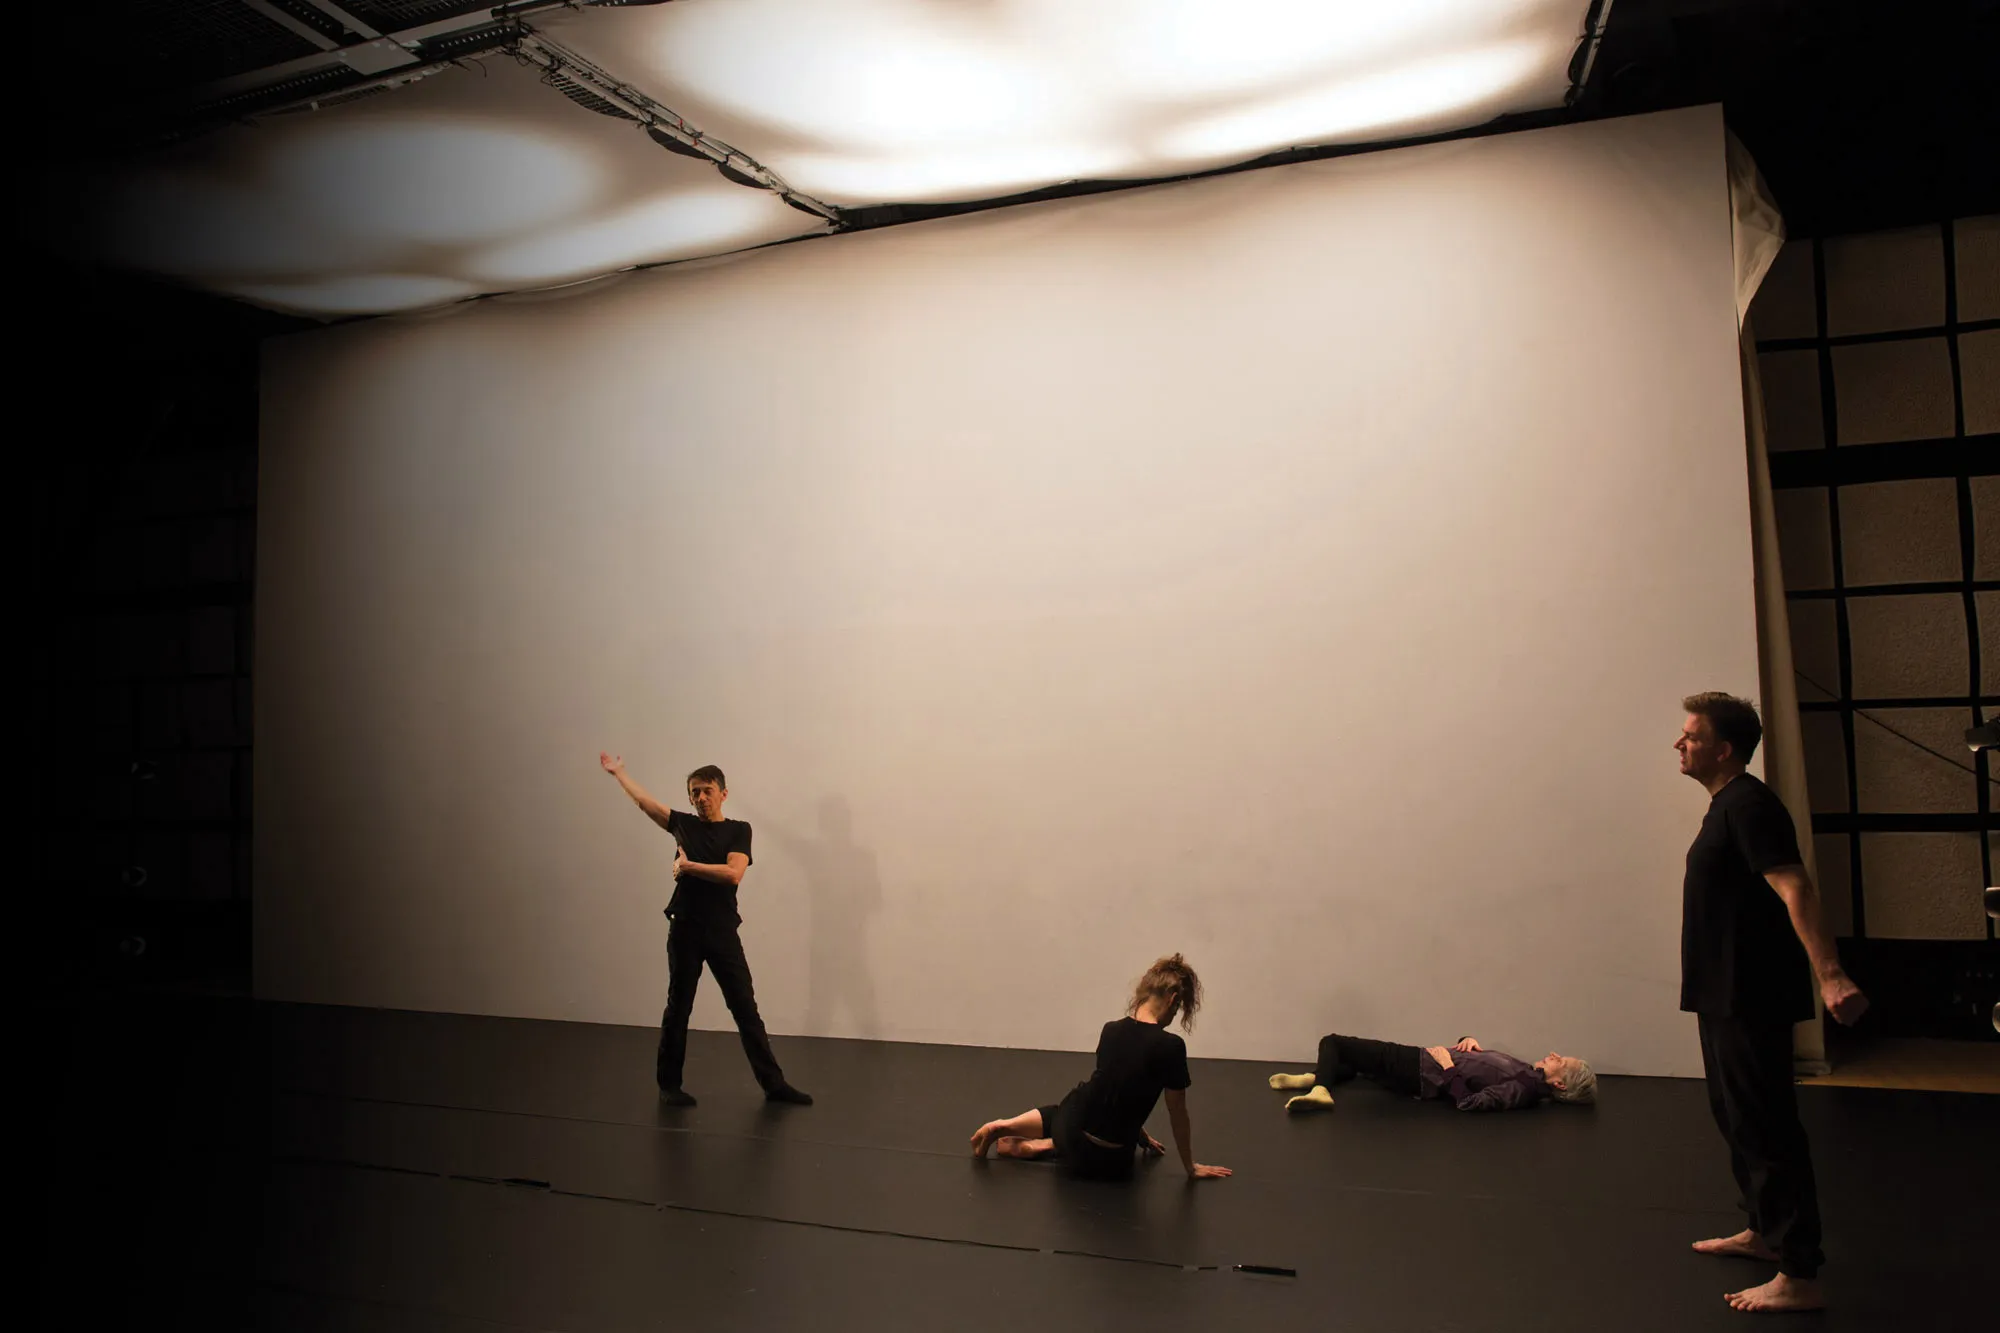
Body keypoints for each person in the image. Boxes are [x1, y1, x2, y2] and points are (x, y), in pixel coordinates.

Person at [1674, 692, 1868, 1314]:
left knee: (1767, 1128)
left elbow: (1795, 887)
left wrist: (1831, 975)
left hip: (1751, 994)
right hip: (1722, 994)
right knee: (1734, 1117)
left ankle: (1799, 1274)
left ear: (1722, 749)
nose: (1679, 745)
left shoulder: (1750, 805)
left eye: (1691, 736)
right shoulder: (1725, 806)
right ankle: (1762, 1231)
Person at [599, 753, 812, 1108]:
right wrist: (619, 773)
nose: (701, 798)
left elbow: (733, 875)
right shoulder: (682, 824)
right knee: (678, 1007)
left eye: (707, 791)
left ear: (723, 794)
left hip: (722, 932)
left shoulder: (738, 830)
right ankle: (669, 1086)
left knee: (745, 1008)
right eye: (695, 792)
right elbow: (644, 803)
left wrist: (688, 867)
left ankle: (774, 1084)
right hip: (684, 929)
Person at [968, 955, 1231, 1182]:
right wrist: (1190, 1167)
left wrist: (1137, 1130)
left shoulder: (1111, 1030)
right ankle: (1048, 1146)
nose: (1174, 1017)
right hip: (1110, 1162)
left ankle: (1010, 1126)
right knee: (1098, 1135)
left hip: (1071, 1133)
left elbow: (1111, 1090)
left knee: (1065, 1109)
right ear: (1173, 999)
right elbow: (1177, 1113)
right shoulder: (1171, 1046)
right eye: (1177, 1010)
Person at [1268, 1032, 1596, 1112]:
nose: (1554, 1055)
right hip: (1425, 1066)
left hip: (1422, 1068)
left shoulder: (1525, 1087)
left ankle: (1321, 1090)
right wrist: (1466, 1040)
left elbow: (1472, 1102)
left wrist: (1448, 1064)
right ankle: (1317, 1077)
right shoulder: (1528, 1075)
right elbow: (1482, 1070)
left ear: (1560, 1085)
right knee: (1359, 1065)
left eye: (1561, 1062)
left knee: (1334, 1042)